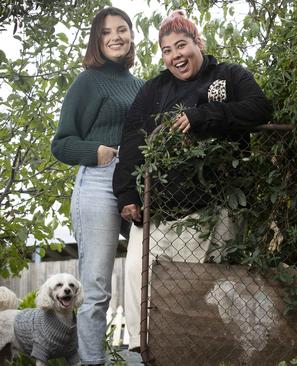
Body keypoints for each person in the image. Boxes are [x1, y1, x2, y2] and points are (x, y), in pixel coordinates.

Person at [112, 9, 272, 351]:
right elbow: (131, 139)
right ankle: (146, 348)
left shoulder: (227, 76)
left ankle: (207, 349)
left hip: (212, 205)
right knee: (140, 279)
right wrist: (127, 192)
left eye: (181, 45)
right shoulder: (154, 89)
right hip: (159, 205)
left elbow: (260, 108)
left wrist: (204, 117)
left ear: (198, 43)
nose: (175, 56)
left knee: (204, 287)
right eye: (167, 50)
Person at [50, 7, 144, 365]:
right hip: (100, 182)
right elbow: (61, 143)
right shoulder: (88, 81)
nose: (116, 36)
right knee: (97, 286)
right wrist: (98, 151)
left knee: (153, 267)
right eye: (107, 32)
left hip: (137, 182)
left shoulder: (142, 86)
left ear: (132, 36)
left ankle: (151, 353)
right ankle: (92, 362)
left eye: (123, 29)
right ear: (98, 40)